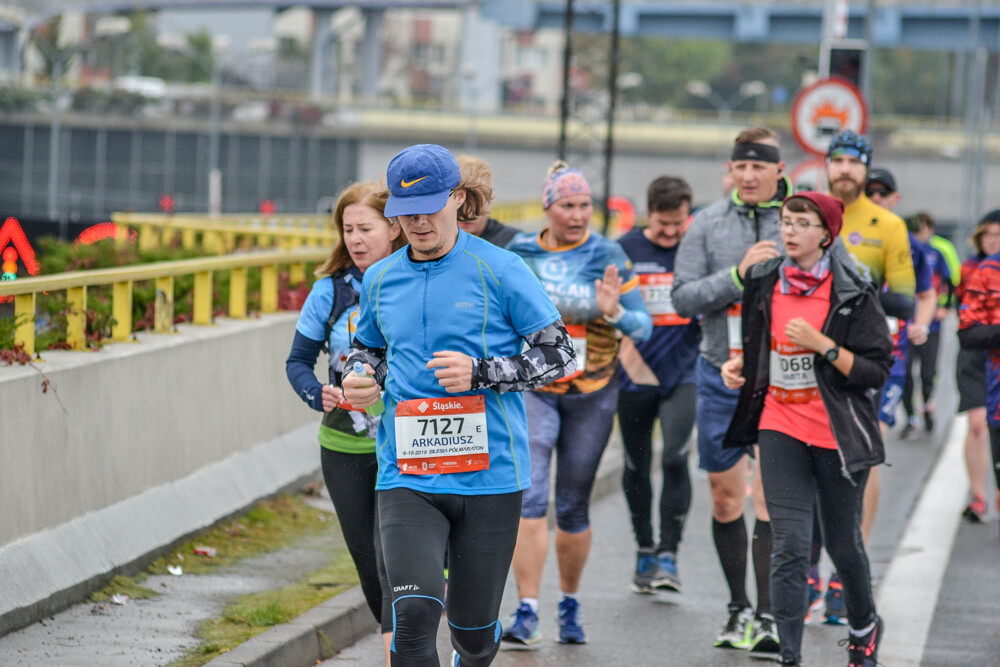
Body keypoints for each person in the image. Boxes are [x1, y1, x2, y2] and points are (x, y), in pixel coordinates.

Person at [341, 143, 576, 667]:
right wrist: (360, 376)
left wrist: (482, 372)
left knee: (471, 636)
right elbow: (368, 349)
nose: (418, 223)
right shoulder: (380, 277)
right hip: (407, 474)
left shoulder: (502, 268)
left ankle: (472, 646)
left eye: (429, 207)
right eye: (406, 213)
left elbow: (560, 355)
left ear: (458, 198)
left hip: (489, 478)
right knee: (413, 612)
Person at [721, 191, 891, 667]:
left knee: (842, 545)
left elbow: (877, 370)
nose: (790, 231)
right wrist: (740, 368)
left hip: (836, 433)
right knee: (791, 546)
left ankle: (864, 628)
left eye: (802, 224)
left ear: (826, 235)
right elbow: (761, 346)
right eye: (786, 222)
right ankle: (790, 657)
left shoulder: (853, 291)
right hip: (779, 424)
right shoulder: (764, 279)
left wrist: (824, 346)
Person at [501, 162, 652, 647]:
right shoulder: (520, 251)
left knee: (571, 504)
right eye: (567, 205)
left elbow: (644, 327)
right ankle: (527, 609)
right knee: (530, 499)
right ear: (548, 207)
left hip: (592, 393)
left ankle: (569, 603)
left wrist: (616, 312)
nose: (578, 214)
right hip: (535, 389)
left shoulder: (608, 254)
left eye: (585, 205)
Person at [672, 126, 788, 657]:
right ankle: (738, 606)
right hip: (720, 374)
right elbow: (683, 298)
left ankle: (768, 614)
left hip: (781, 378)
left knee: (768, 495)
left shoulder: (795, 222)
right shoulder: (707, 223)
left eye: (758, 167)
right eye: (740, 166)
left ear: (778, 171)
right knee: (725, 497)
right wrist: (738, 277)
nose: (748, 175)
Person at [284, 181, 406, 665]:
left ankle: (406, 648)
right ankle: (402, 641)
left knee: (394, 558)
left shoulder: (415, 281)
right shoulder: (330, 292)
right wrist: (318, 392)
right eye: (347, 229)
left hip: (409, 443)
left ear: (394, 228)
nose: (355, 239)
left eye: (365, 228)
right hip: (345, 445)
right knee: (371, 567)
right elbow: (297, 362)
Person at [818, 138, 921, 625]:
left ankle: (847, 569)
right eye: (836, 161)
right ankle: (808, 568)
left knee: (862, 454)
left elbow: (904, 299)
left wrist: (859, 293)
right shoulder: (809, 213)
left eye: (853, 163)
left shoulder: (888, 225)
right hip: (808, 353)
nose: (844, 170)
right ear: (826, 166)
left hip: (863, 357)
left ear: (866, 170)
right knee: (809, 453)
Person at [616, 176, 700, 594]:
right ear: (648, 214)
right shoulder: (625, 249)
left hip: (685, 371)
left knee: (674, 457)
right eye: (663, 224)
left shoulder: (696, 247)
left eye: (678, 223)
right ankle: (645, 547)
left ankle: (669, 553)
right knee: (636, 464)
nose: (670, 232)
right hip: (635, 374)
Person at [957, 211, 1000, 522]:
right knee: (976, 425)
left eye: (998, 235)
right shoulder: (977, 269)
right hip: (976, 359)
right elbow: (967, 330)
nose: (993, 240)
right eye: (988, 235)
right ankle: (978, 495)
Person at [901, 212, 954, 436]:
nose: (917, 233)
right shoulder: (902, 251)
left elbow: (949, 281)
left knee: (928, 374)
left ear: (930, 230)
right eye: (913, 229)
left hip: (931, 327)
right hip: (905, 325)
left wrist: (945, 307)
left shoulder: (936, 253)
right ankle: (910, 417)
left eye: (921, 228)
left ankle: (927, 407)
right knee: (904, 373)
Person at [454, 154, 519, 247]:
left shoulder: (513, 243)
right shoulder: (436, 243)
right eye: (461, 201)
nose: (467, 213)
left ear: (489, 201)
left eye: (476, 201)